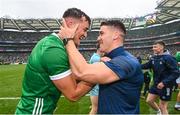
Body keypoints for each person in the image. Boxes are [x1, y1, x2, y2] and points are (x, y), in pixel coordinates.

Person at [15, 8, 93, 114]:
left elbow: (76, 75)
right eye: (85, 29)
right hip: (34, 111)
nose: (86, 34)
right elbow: (73, 94)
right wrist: (99, 76)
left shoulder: (57, 45)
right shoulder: (53, 49)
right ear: (70, 24)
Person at [61, 20, 144, 114]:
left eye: (101, 33)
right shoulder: (114, 59)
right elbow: (77, 78)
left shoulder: (125, 61)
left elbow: (81, 72)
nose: (98, 38)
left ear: (115, 35)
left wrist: (68, 39)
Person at [141, 40, 179, 114]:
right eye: (153, 47)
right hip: (156, 84)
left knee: (162, 106)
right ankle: (158, 112)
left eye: (155, 47)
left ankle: (161, 111)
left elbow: (176, 73)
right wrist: (134, 64)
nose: (153, 48)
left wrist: (164, 82)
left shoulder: (169, 58)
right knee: (149, 101)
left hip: (166, 85)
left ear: (161, 47)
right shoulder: (153, 57)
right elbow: (146, 65)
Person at [88, 45, 104, 114]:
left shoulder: (97, 57)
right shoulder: (96, 58)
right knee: (95, 109)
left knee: (97, 108)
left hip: (96, 87)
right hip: (95, 88)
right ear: (99, 48)